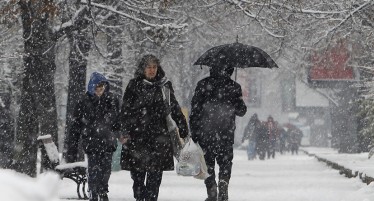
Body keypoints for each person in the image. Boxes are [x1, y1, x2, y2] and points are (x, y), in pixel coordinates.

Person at [119, 54, 189, 201]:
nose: (152, 70)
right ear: (143, 69)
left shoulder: (164, 85)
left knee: (155, 179)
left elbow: (174, 107)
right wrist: (124, 130)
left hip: (159, 138)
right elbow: (125, 111)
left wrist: (182, 126)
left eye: (154, 67)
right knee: (138, 179)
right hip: (137, 138)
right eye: (149, 67)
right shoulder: (134, 85)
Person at [190, 66, 247, 201]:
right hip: (226, 133)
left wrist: (194, 132)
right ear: (230, 70)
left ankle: (212, 190)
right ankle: (223, 184)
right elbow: (241, 111)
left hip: (205, 132)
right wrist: (236, 101)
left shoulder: (203, 84)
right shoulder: (234, 87)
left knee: (207, 163)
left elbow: (195, 110)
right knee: (225, 162)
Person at [64, 72, 120, 201]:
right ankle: (93, 192)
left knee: (106, 170)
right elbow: (75, 127)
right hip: (92, 143)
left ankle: (103, 191)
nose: (100, 90)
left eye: (102, 87)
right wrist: (72, 149)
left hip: (108, 142)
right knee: (94, 170)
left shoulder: (112, 100)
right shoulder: (83, 102)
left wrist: (119, 133)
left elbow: (117, 121)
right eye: (97, 87)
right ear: (92, 87)